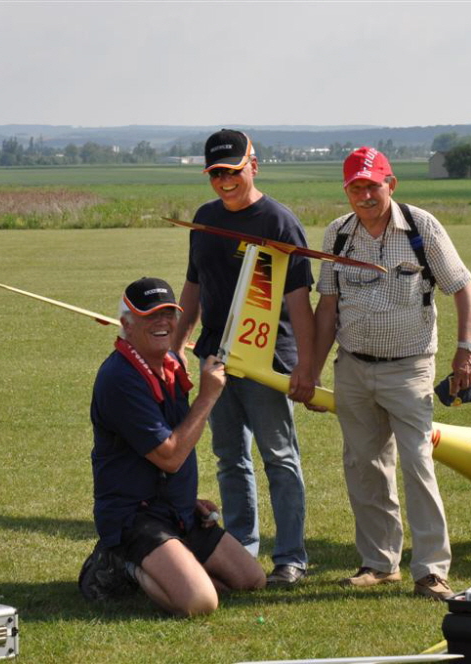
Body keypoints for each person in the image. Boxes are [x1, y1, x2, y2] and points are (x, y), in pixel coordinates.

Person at [312, 147, 471, 601]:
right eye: (355, 187)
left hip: (410, 368)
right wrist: (309, 371)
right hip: (353, 366)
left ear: (391, 184)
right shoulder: (337, 235)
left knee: (418, 464)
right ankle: (380, 564)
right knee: (364, 467)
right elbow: (327, 307)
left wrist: (466, 351)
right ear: (345, 190)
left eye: (373, 185)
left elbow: (461, 286)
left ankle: (431, 571)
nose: (365, 195)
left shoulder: (422, 227)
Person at [170, 129, 314, 587]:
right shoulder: (205, 218)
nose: (224, 181)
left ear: (254, 165)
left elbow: (298, 303)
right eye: (215, 173)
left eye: (232, 171)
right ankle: (241, 552)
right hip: (215, 358)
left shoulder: (279, 223)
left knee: (279, 458)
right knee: (229, 457)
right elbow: (193, 287)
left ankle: (290, 557)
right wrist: (176, 345)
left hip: (267, 361)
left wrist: (306, 368)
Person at [80, 277, 265, 617]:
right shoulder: (119, 380)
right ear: (126, 324)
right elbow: (169, 456)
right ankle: (119, 563)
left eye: (169, 313)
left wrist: (186, 500)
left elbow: (172, 444)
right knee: (201, 602)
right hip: (133, 515)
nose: (163, 323)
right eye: (150, 315)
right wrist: (208, 396)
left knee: (252, 580)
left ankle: (172, 562)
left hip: (174, 511)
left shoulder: (170, 365)